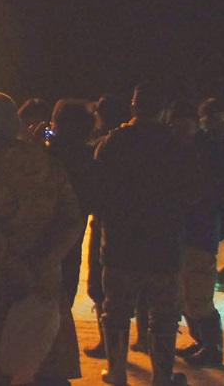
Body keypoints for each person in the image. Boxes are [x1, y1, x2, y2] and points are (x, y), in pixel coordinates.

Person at [0, 92, 84, 386]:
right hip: (45, 282)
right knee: (44, 364)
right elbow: (72, 221)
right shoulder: (46, 162)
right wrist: (47, 262)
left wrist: (18, 269)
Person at [92, 84, 190, 385]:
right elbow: (189, 191)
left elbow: (98, 191)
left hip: (121, 243)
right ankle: (162, 375)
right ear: (162, 111)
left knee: (116, 310)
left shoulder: (112, 143)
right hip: (164, 244)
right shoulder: (175, 144)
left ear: (134, 107)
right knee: (163, 315)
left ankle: (117, 371)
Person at [37, 99, 98, 384]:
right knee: (61, 305)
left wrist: (34, 146)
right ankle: (55, 369)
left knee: (39, 309)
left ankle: (44, 370)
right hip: (70, 245)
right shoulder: (90, 159)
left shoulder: (46, 158)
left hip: (40, 243)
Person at [173, 100, 224, 367]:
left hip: (201, 230)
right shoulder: (181, 148)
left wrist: (223, 225)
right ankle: (201, 340)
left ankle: (213, 346)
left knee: (199, 292)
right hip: (184, 231)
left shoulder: (209, 151)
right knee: (184, 293)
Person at [83, 93, 130, 359]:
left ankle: (109, 346)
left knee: (102, 288)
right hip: (137, 225)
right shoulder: (139, 144)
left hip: (109, 223)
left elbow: (96, 188)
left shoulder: (106, 145)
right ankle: (144, 340)